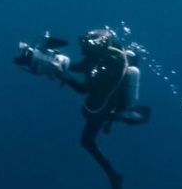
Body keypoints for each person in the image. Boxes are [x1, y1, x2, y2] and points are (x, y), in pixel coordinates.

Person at [57, 28, 151, 189]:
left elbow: (83, 88)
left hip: (105, 104)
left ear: (96, 45)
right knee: (87, 140)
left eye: (85, 44)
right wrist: (60, 61)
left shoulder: (108, 65)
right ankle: (114, 174)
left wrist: (62, 74)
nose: (82, 47)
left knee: (87, 139)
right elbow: (79, 67)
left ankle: (116, 118)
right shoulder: (96, 57)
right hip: (103, 99)